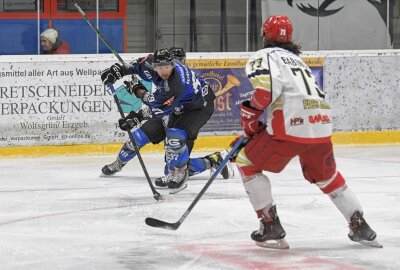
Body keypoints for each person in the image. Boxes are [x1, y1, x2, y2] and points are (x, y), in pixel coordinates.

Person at [231, 15, 381, 249]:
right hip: (320, 123)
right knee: (327, 177)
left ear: (264, 35)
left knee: (245, 162)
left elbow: (264, 94)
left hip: (289, 125)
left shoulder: (264, 56)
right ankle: (360, 225)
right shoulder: (298, 61)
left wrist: (249, 123)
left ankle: (270, 225)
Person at [101, 48, 233, 192]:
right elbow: (137, 65)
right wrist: (119, 70)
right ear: (154, 65)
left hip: (195, 109)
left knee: (174, 142)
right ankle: (119, 163)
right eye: (160, 67)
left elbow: (158, 107)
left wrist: (138, 106)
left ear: (173, 65)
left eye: (167, 67)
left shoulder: (177, 84)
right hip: (171, 110)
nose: (164, 71)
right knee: (137, 137)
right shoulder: (152, 64)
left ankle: (212, 161)